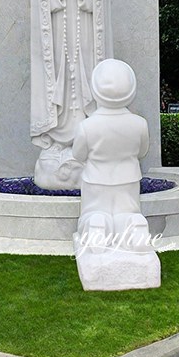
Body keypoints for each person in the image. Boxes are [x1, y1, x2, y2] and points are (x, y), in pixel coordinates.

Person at [30, 0, 113, 188]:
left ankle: (86, 131)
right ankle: (58, 133)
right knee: (61, 69)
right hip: (56, 18)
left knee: (83, 67)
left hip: (85, 18)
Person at [72, 59, 151, 251]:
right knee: (127, 211)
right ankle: (133, 225)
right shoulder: (140, 123)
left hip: (96, 181)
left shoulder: (87, 126)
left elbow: (78, 155)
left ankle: (96, 225)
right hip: (129, 180)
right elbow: (142, 152)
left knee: (93, 211)